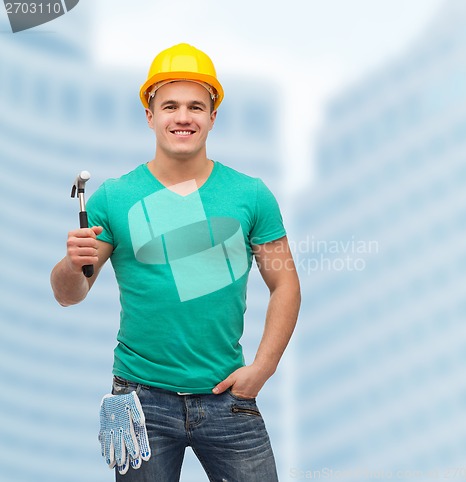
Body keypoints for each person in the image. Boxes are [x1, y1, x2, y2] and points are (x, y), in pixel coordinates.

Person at [50, 43, 301, 482]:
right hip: (142, 400)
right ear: (150, 115)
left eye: (195, 107)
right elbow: (69, 295)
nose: (183, 117)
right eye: (170, 106)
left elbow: (286, 285)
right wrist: (73, 264)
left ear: (212, 116)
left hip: (229, 398)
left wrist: (263, 368)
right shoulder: (114, 197)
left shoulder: (251, 195)